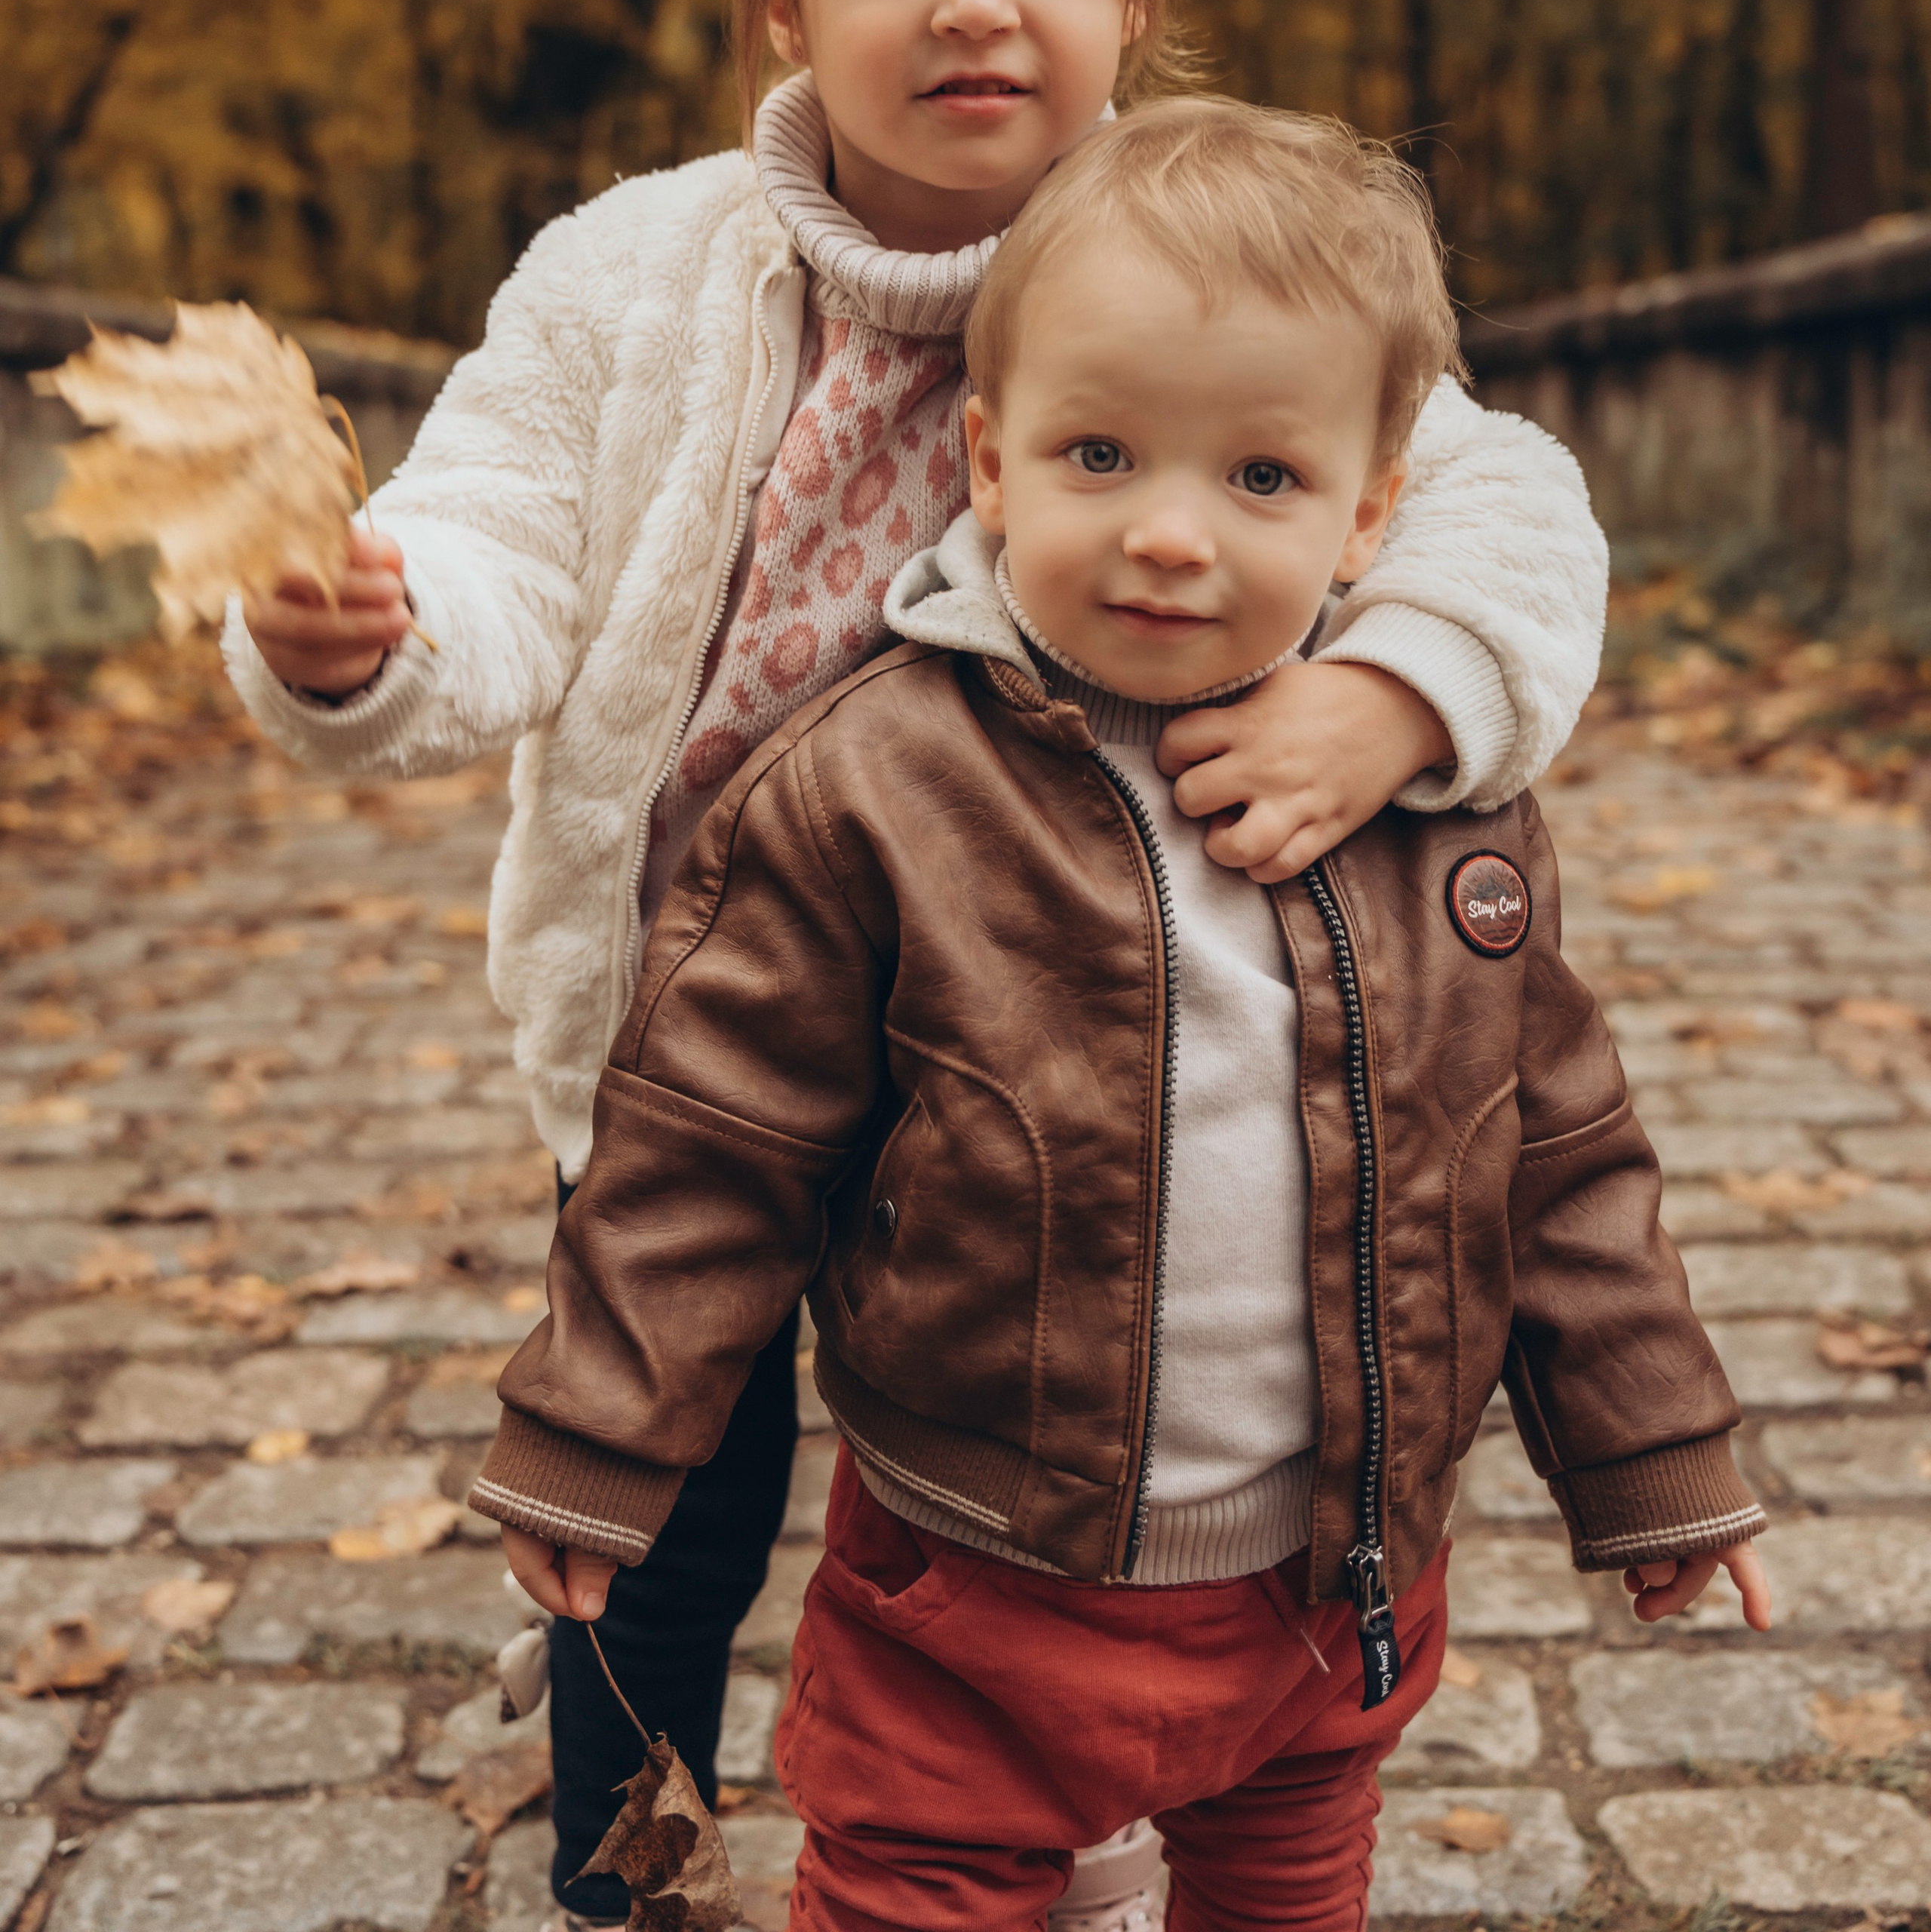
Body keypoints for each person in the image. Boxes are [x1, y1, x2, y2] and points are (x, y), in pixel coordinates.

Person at [226, 0, 1610, 1930]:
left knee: (1013, 1489)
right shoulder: (636, 278)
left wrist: (1405, 691)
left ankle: (1008, 1814)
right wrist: (384, 623)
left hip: (1067, 1068)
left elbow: (1486, 498)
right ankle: (617, 1848)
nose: (977, 5)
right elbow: (493, 524)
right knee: (673, 1474)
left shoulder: (1207, 256)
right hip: (705, 1052)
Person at [470, 96, 1770, 1932]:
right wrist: (595, 1443)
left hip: (1324, 1601)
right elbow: (711, 1146)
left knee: (1287, 1892)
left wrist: (1653, 1463)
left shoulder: (1432, 810)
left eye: (1256, 480)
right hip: (971, 1589)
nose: (1169, 536)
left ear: (1364, 514)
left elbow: (1550, 1155)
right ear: (988, 468)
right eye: (1099, 456)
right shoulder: (876, 788)